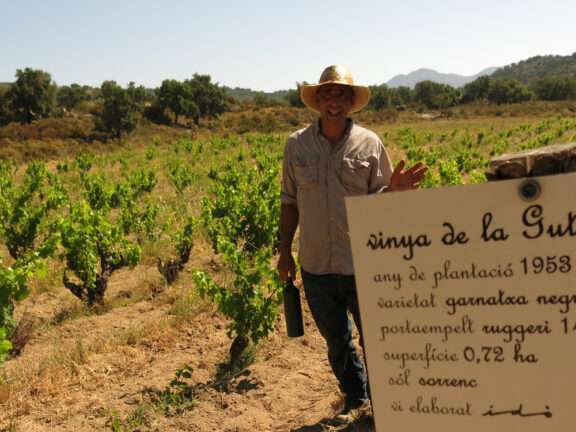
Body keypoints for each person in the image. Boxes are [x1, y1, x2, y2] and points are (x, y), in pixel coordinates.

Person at [277, 65, 426, 424]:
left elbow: (381, 199)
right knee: (336, 342)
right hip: (314, 265)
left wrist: (396, 191)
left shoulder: (370, 143)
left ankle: (386, 404)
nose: (333, 100)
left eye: (340, 93)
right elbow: (289, 201)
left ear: (349, 101)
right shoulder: (297, 145)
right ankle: (356, 399)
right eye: (327, 93)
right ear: (318, 100)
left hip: (362, 264)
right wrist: (284, 252)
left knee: (376, 340)